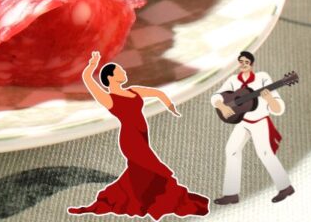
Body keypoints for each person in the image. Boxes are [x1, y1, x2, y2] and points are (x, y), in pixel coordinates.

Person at [69, 51, 209, 219]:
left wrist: (170, 106)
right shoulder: (109, 99)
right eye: (119, 71)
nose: (124, 72)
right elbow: (89, 81)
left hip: (142, 135)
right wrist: (91, 67)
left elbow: (158, 93)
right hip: (130, 139)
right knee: (152, 167)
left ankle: (143, 200)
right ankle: (159, 200)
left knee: (140, 173)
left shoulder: (133, 90)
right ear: (111, 77)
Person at [211, 50, 294, 205]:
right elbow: (216, 95)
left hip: (259, 122)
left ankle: (285, 187)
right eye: (240, 62)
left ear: (252, 64)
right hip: (243, 121)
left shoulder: (263, 78)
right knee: (232, 150)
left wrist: (269, 99)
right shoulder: (233, 80)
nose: (243, 65)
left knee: (265, 153)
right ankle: (231, 194)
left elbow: (278, 108)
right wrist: (221, 105)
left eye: (246, 62)